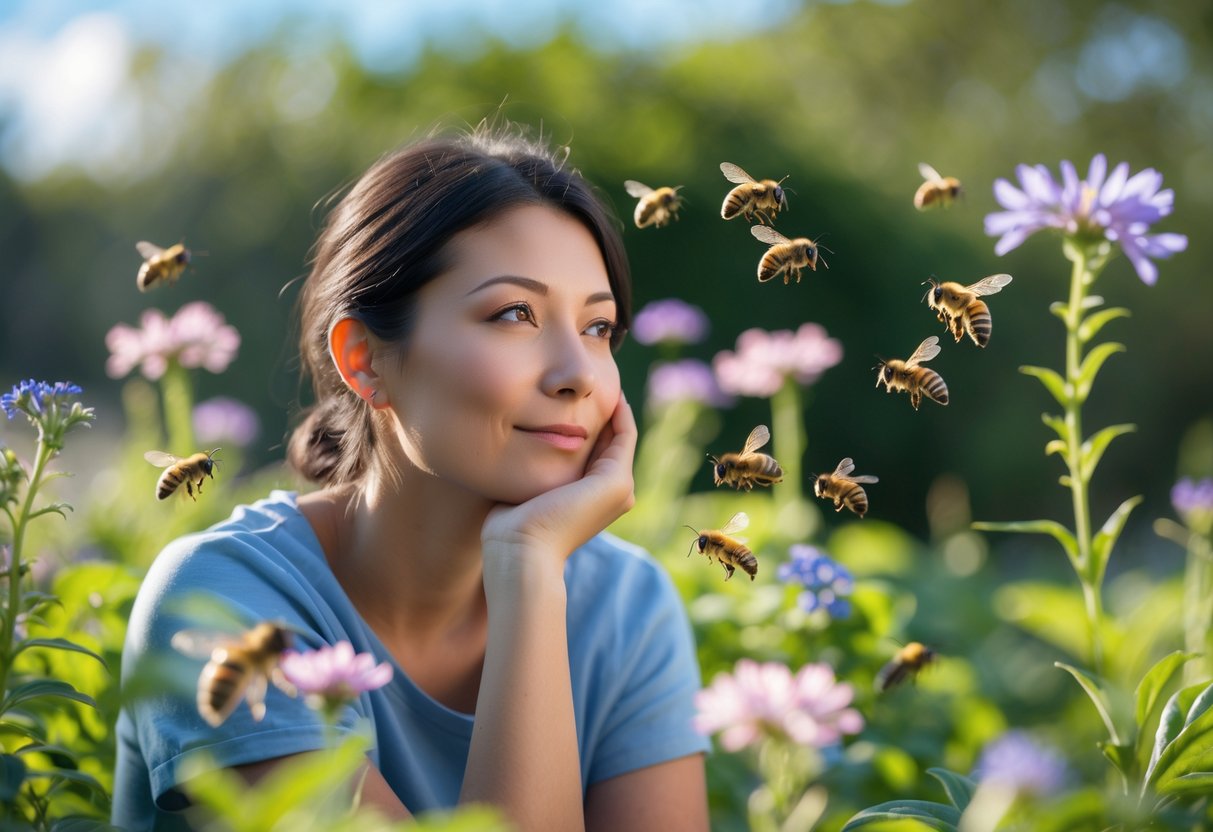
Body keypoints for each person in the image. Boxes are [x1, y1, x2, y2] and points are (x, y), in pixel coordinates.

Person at [111, 123, 711, 831]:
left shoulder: (625, 606)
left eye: (598, 328)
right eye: (514, 314)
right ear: (364, 358)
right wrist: (526, 565)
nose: (578, 375)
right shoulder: (226, 604)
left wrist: (533, 568)